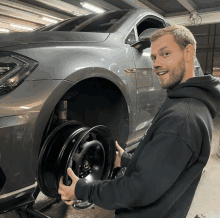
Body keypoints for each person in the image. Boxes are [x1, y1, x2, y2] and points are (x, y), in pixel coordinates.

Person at [58, 25, 220, 218]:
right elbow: (164, 165)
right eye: (153, 58)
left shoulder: (183, 119)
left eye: (165, 54)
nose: (156, 64)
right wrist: (127, 159)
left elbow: (139, 190)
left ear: (188, 53)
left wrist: (84, 190)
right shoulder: (184, 103)